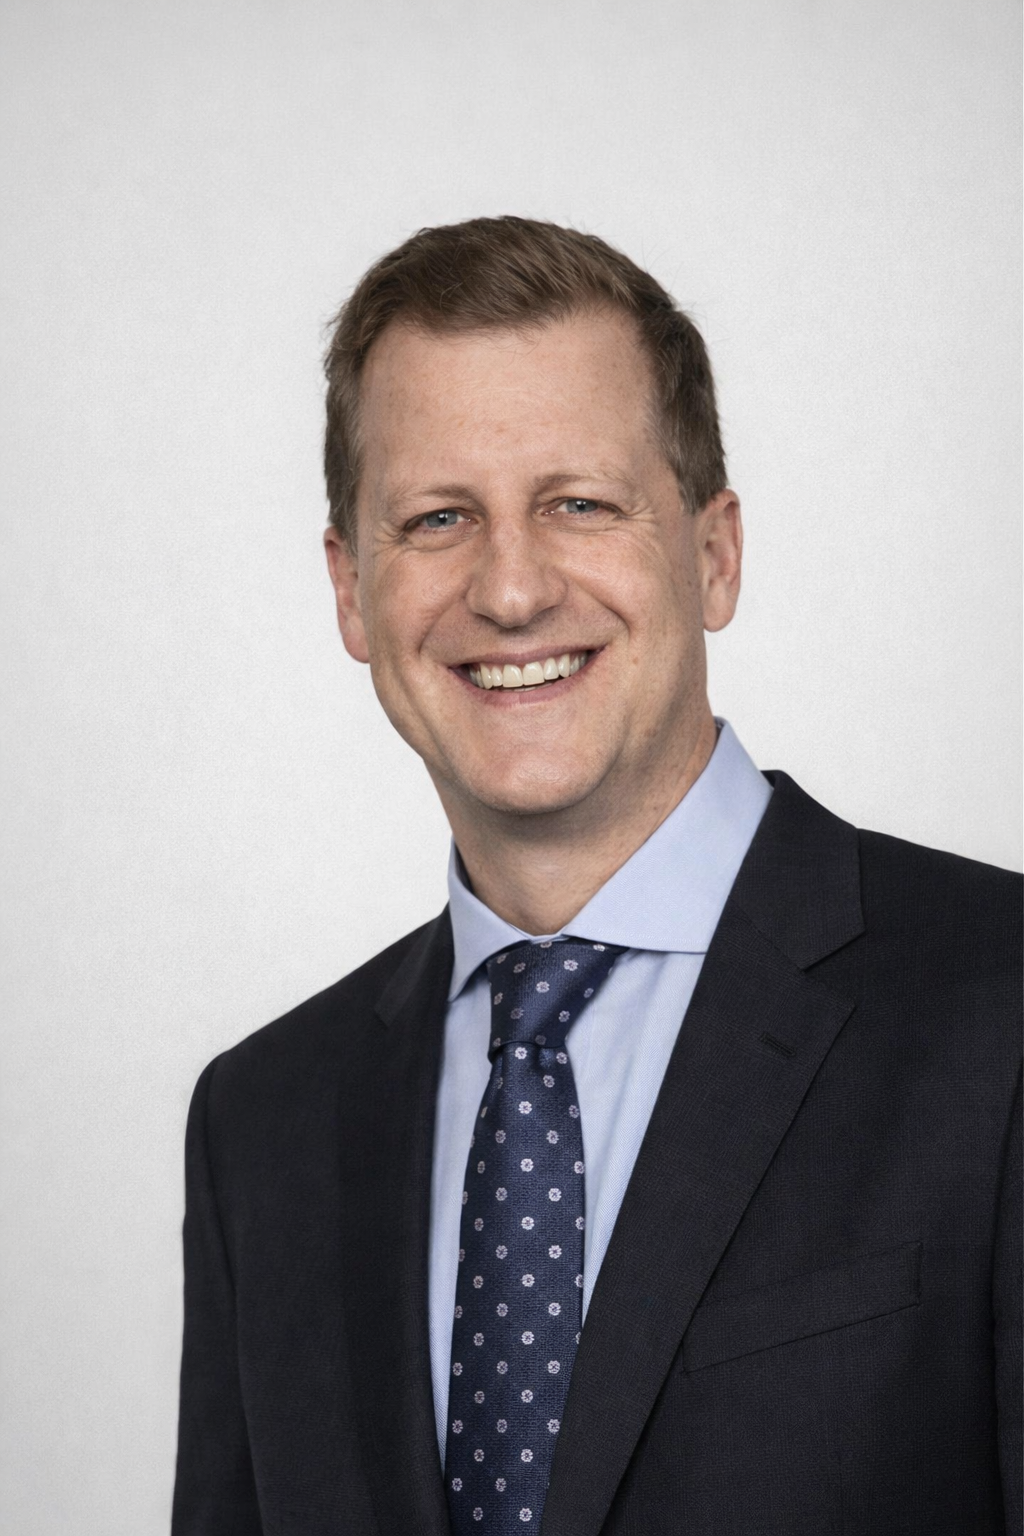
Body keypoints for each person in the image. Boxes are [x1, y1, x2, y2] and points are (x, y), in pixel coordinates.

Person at [171, 217, 1021, 1536]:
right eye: (438, 517)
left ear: (713, 551)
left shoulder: (998, 1013)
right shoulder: (262, 1124)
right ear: (352, 589)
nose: (510, 589)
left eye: (580, 503)